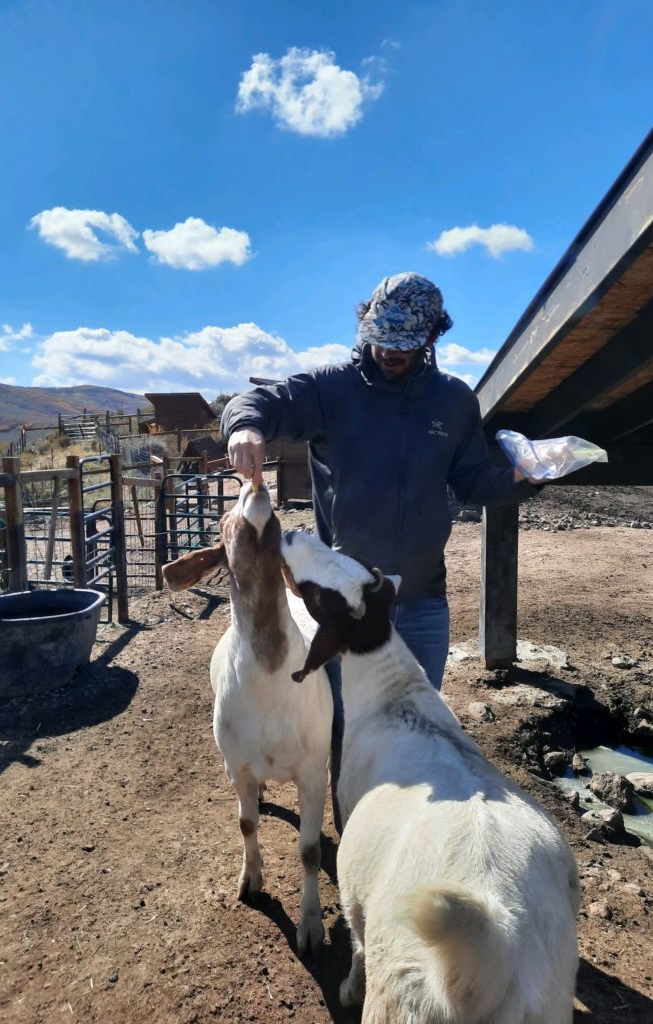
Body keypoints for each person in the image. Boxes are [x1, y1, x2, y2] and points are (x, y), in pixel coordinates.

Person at [222, 272, 542, 828]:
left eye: (406, 340)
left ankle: (402, 840)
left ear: (432, 335)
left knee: (414, 732)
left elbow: (471, 483)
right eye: (381, 336)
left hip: (421, 603)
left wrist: (523, 479)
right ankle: (354, 847)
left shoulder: (453, 402)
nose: (391, 350)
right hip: (346, 612)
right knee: (345, 733)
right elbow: (258, 401)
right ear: (364, 324)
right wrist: (244, 426)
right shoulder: (330, 391)